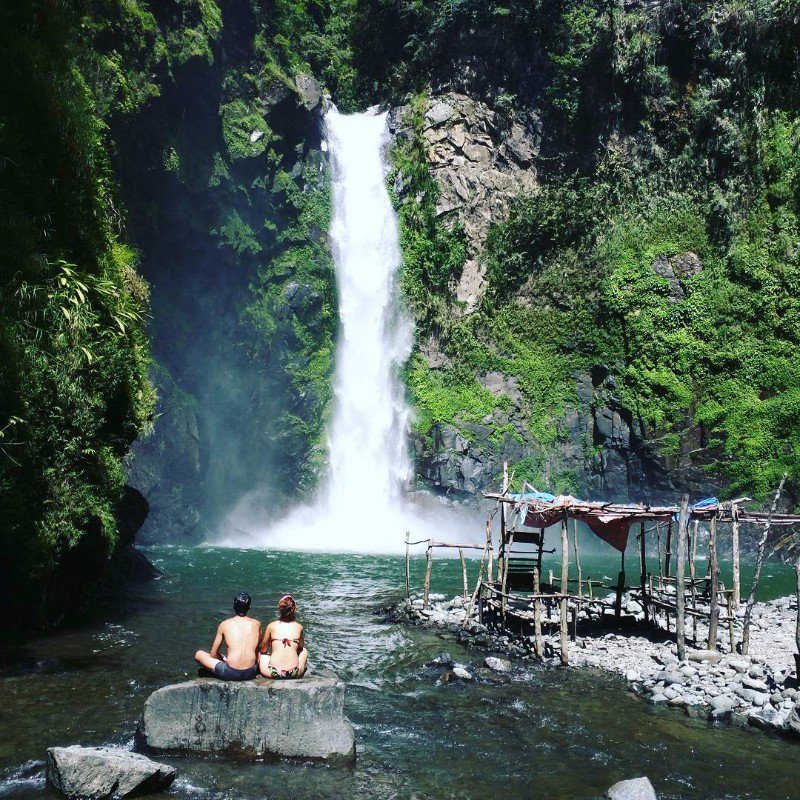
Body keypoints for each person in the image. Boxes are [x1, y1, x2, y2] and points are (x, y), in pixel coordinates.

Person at [194, 592, 260, 681]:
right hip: (251, 672)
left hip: (231, 673)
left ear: (234, 606)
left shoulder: (225, 624)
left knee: (199, 654)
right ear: (249, 607)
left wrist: (223, 658)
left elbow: (213, 654)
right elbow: (256, 650)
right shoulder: (256, 624)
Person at [258, 594, 307, 679]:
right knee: (304, 651)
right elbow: (301, 646)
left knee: (262, 654)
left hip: (273, 672)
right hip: (293, 673)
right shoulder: (299, 627)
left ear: (279, 609)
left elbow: (263, 649)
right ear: (294, 609)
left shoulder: (271, 626)